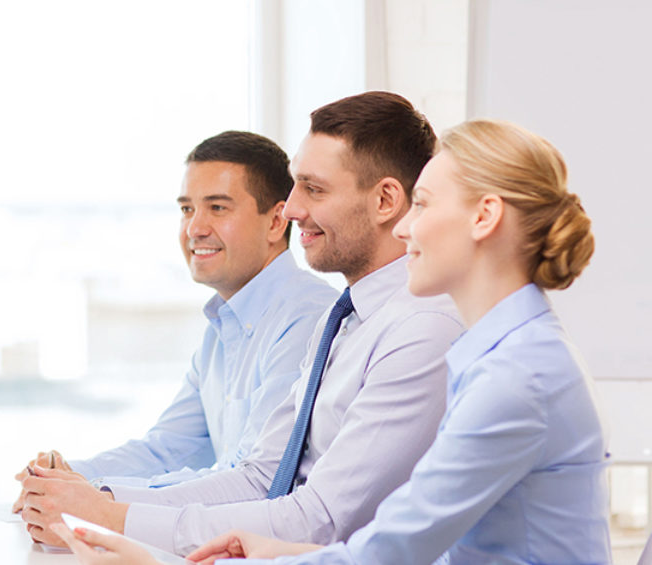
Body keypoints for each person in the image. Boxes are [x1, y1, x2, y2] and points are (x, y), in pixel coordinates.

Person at [53, 119, 611, 564]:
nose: (406, 228)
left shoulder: (516, 375)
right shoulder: (496, 354)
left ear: (484, 217)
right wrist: (280, 553)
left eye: (423, 204)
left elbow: (393, 549)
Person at [20, 92, 464, 554]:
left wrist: (109, 513)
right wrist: (98, 499)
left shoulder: (420, 328)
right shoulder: (343, 322)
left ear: (386, 200)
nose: (291, 209)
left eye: (313, 189)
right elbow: (262, 478)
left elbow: (319, 520)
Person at [12, 131, 336, 496]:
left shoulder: (306, 317)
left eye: (217, 208)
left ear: (277, 222)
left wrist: (100, 497)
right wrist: (66, 475)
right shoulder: (222, 328)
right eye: (187, 209)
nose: (194, 229)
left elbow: (259, 483)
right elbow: (167, 448)